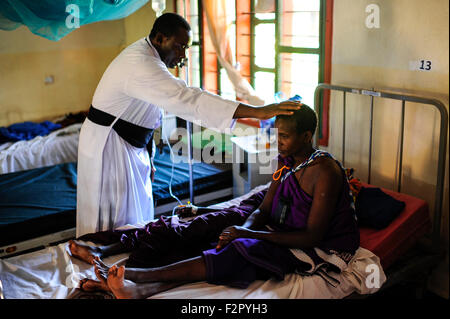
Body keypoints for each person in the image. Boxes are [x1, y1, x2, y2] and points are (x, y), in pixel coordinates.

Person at [69, 104, 360, 299]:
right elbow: (263, 209)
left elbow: (314, 235)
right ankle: (135, 290)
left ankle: (134, 275)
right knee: (218, 242)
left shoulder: (325, 171)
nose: (278, 141)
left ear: (307, 136)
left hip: (319, 249)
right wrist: (239, 228)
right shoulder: (288, 163)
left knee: (241, 250)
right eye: (276, 134)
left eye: (284, 136)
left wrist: (245, 233)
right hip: (285, 233)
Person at [76, 12, 301, 237]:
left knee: (131, 219)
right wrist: (258, 112)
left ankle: (118, 256)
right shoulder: (141, 63)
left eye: (186, 48)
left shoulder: (150, 58)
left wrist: (149, 157)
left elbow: (146, 118)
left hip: (128, 145)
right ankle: (98, 258)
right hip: (110, 146)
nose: (182, 54)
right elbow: (188, 98)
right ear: (160, 38)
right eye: (179, 46)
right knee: (113, 217)